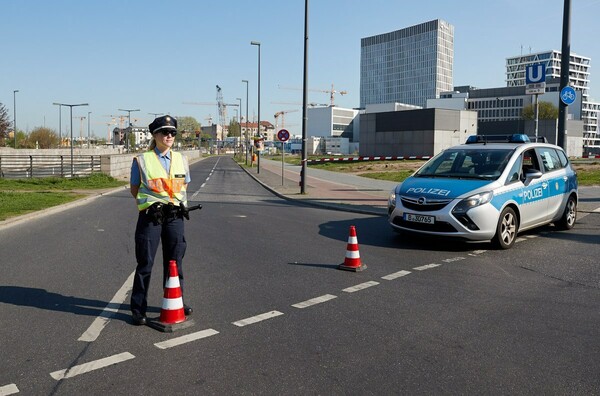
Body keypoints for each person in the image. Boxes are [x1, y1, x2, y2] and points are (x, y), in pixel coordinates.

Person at [129, 115, 192, 326]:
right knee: (145, 262)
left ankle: (176, 302)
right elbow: (135, 189)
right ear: (154, 135)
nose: (169, 136)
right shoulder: (142, 160)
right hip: (152, 217)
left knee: (175, 262)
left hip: (174, 216)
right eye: (165, 132)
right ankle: (138, 309)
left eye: (172, 132)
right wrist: (153, 203)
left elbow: (184, 187)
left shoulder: (181, 159)